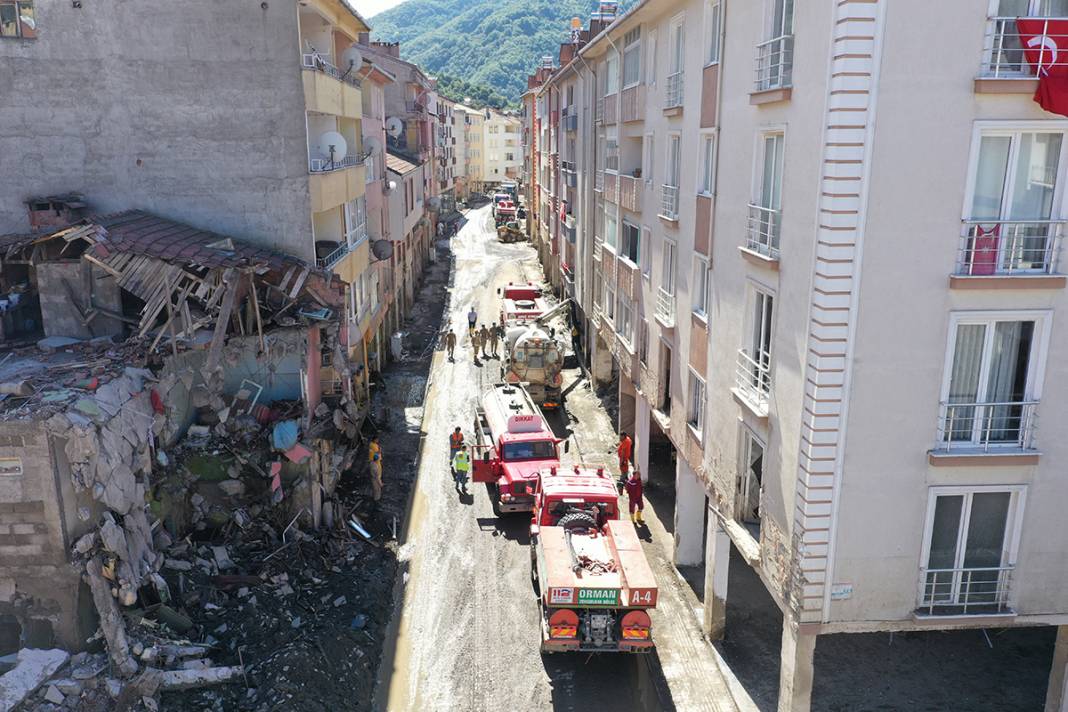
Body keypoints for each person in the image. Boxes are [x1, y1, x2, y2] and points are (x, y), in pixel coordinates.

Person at [368, 435, 383, 504]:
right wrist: (380, 483)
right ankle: (376, 499)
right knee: (377, 489)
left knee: (375, 489)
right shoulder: (375, 467)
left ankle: (376, 498)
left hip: (373, 477)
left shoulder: (372, 463)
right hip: (375, 479)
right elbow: (377, 477)